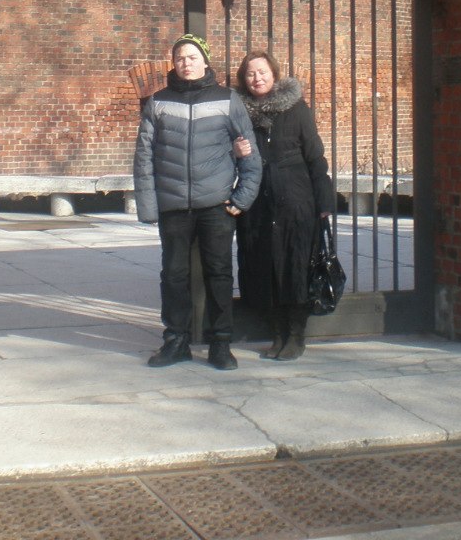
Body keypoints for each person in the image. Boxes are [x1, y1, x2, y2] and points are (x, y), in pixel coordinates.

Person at [134, 34, 261, 370]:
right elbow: (144, 156)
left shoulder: (227, 100)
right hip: (173, 205)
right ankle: (176, 341)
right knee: (173, 276)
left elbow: (250, 153)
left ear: (205, 61)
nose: (186, 63)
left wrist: (242, 197)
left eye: (192, 57)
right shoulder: (158, 102)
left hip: (216, 205)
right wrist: (148, 205)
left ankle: (221, 343)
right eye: (180, 58)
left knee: (219, 274)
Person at [234, 49, 335, 361]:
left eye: (262, 72)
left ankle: (296, 335)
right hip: (258, 205)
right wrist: (235, 151)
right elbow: (225, 154)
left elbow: (315, 155)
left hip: (295, 201)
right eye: (251, 74)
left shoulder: (296, 109)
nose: (257, 78)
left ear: (274, 74)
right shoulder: (239, 113)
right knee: (265, 269)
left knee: (295, 266)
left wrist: (324, 200)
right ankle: (277, 334)